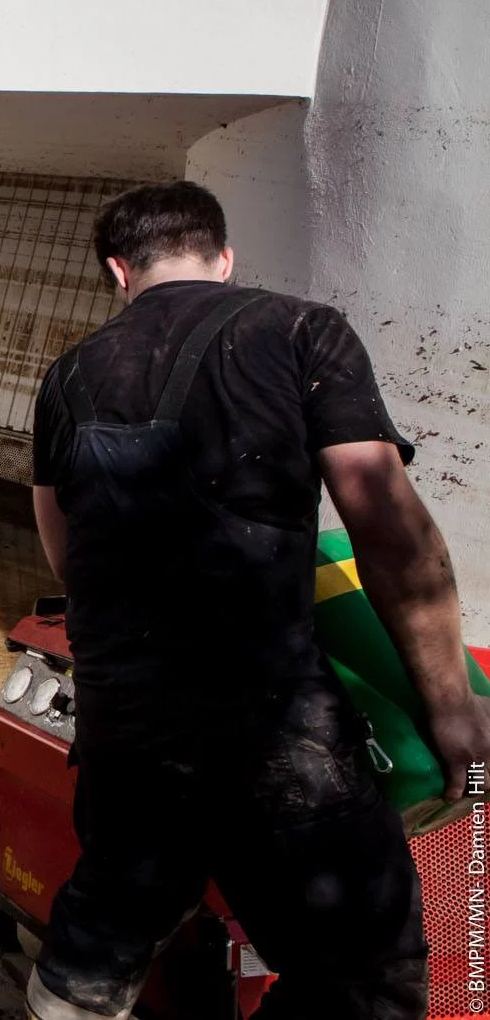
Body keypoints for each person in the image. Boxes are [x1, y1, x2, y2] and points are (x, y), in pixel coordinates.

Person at [25, 181, 490, 1020]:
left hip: (124, 738)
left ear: (118, 269)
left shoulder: (67, 379)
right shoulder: (304, 332)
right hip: (273, 737)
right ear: (224, 258)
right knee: (364, 976)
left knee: (97, 949)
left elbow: (68, 555)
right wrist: (453, 707)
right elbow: (387, 529)